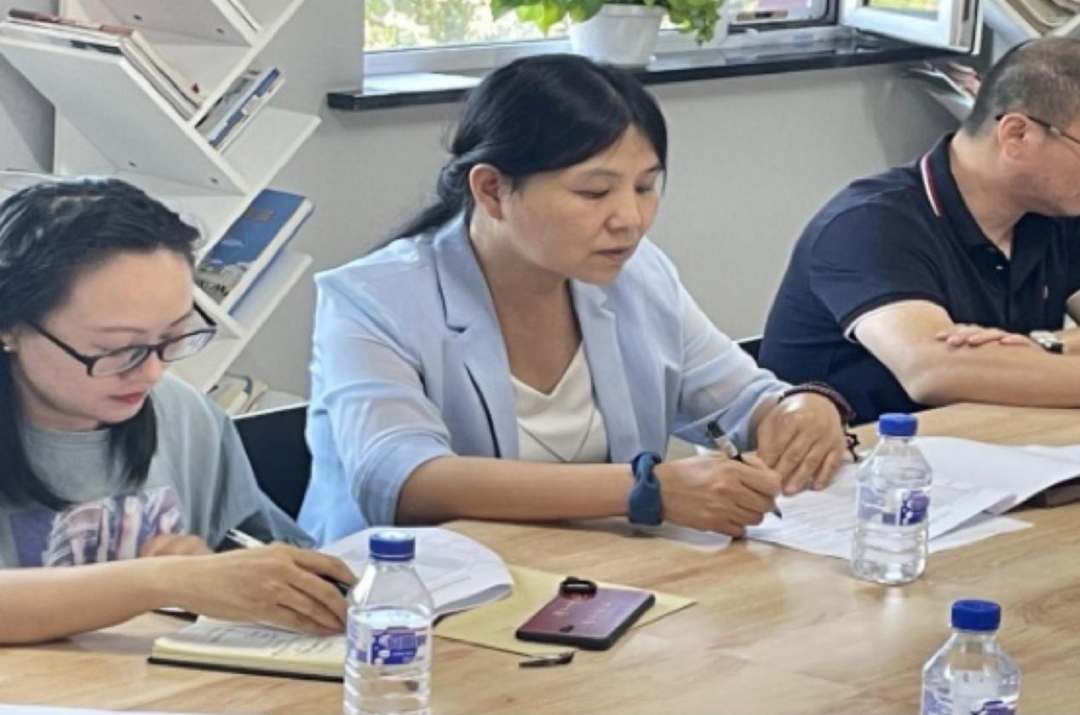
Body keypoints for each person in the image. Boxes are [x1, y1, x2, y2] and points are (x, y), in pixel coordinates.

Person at [299, 54, 851, 546]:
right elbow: (404, 479)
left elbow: (742, 400)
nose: (630, 219)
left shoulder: (638, 274)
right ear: (491, 189)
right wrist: (643, 490)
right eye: (594, 192)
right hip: (404, 599)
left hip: (595, 582)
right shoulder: (371, 299)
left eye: (645, 187)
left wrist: (800, 408)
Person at [0, 178, 354, 644]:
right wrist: (165, 580)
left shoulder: (183, 413)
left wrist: (214, 565)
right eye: (116, 349)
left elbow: (261, 551)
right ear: (10, 327)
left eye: (173, 336)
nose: (151, 373)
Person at [760, 37, 1080, 424]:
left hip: (987, 441)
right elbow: (932, 371)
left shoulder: (1053, 210)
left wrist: (1039, 348)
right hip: (860, 454)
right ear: (1016, 135)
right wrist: (1015, 359)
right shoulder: (867, 224)